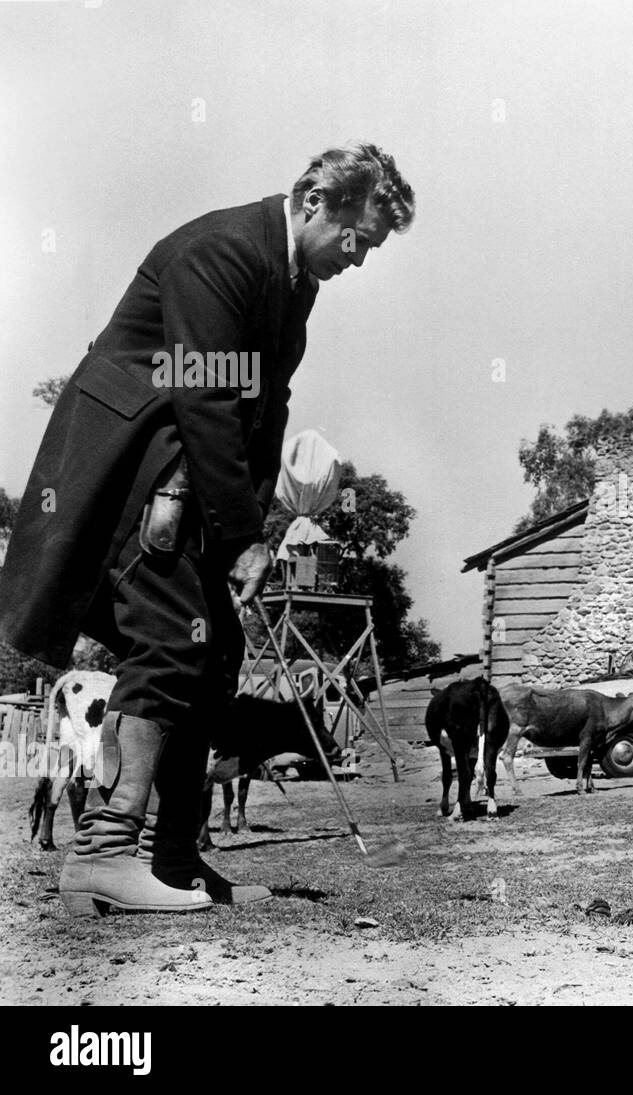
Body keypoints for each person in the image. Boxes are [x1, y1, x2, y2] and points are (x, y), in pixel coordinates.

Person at [0, 143, 414, 917]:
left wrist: (247, 535)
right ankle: (102, 850)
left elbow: (266, 415)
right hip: (129, 471)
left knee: (214, 646)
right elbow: (205, 399)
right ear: (315, 201)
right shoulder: (222, 252)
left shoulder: (294, 288)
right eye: (357, 236)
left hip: (190, 478)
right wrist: (242, 535)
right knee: (169, 638)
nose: (358, 258)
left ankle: (177, 859)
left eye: (372, 248)